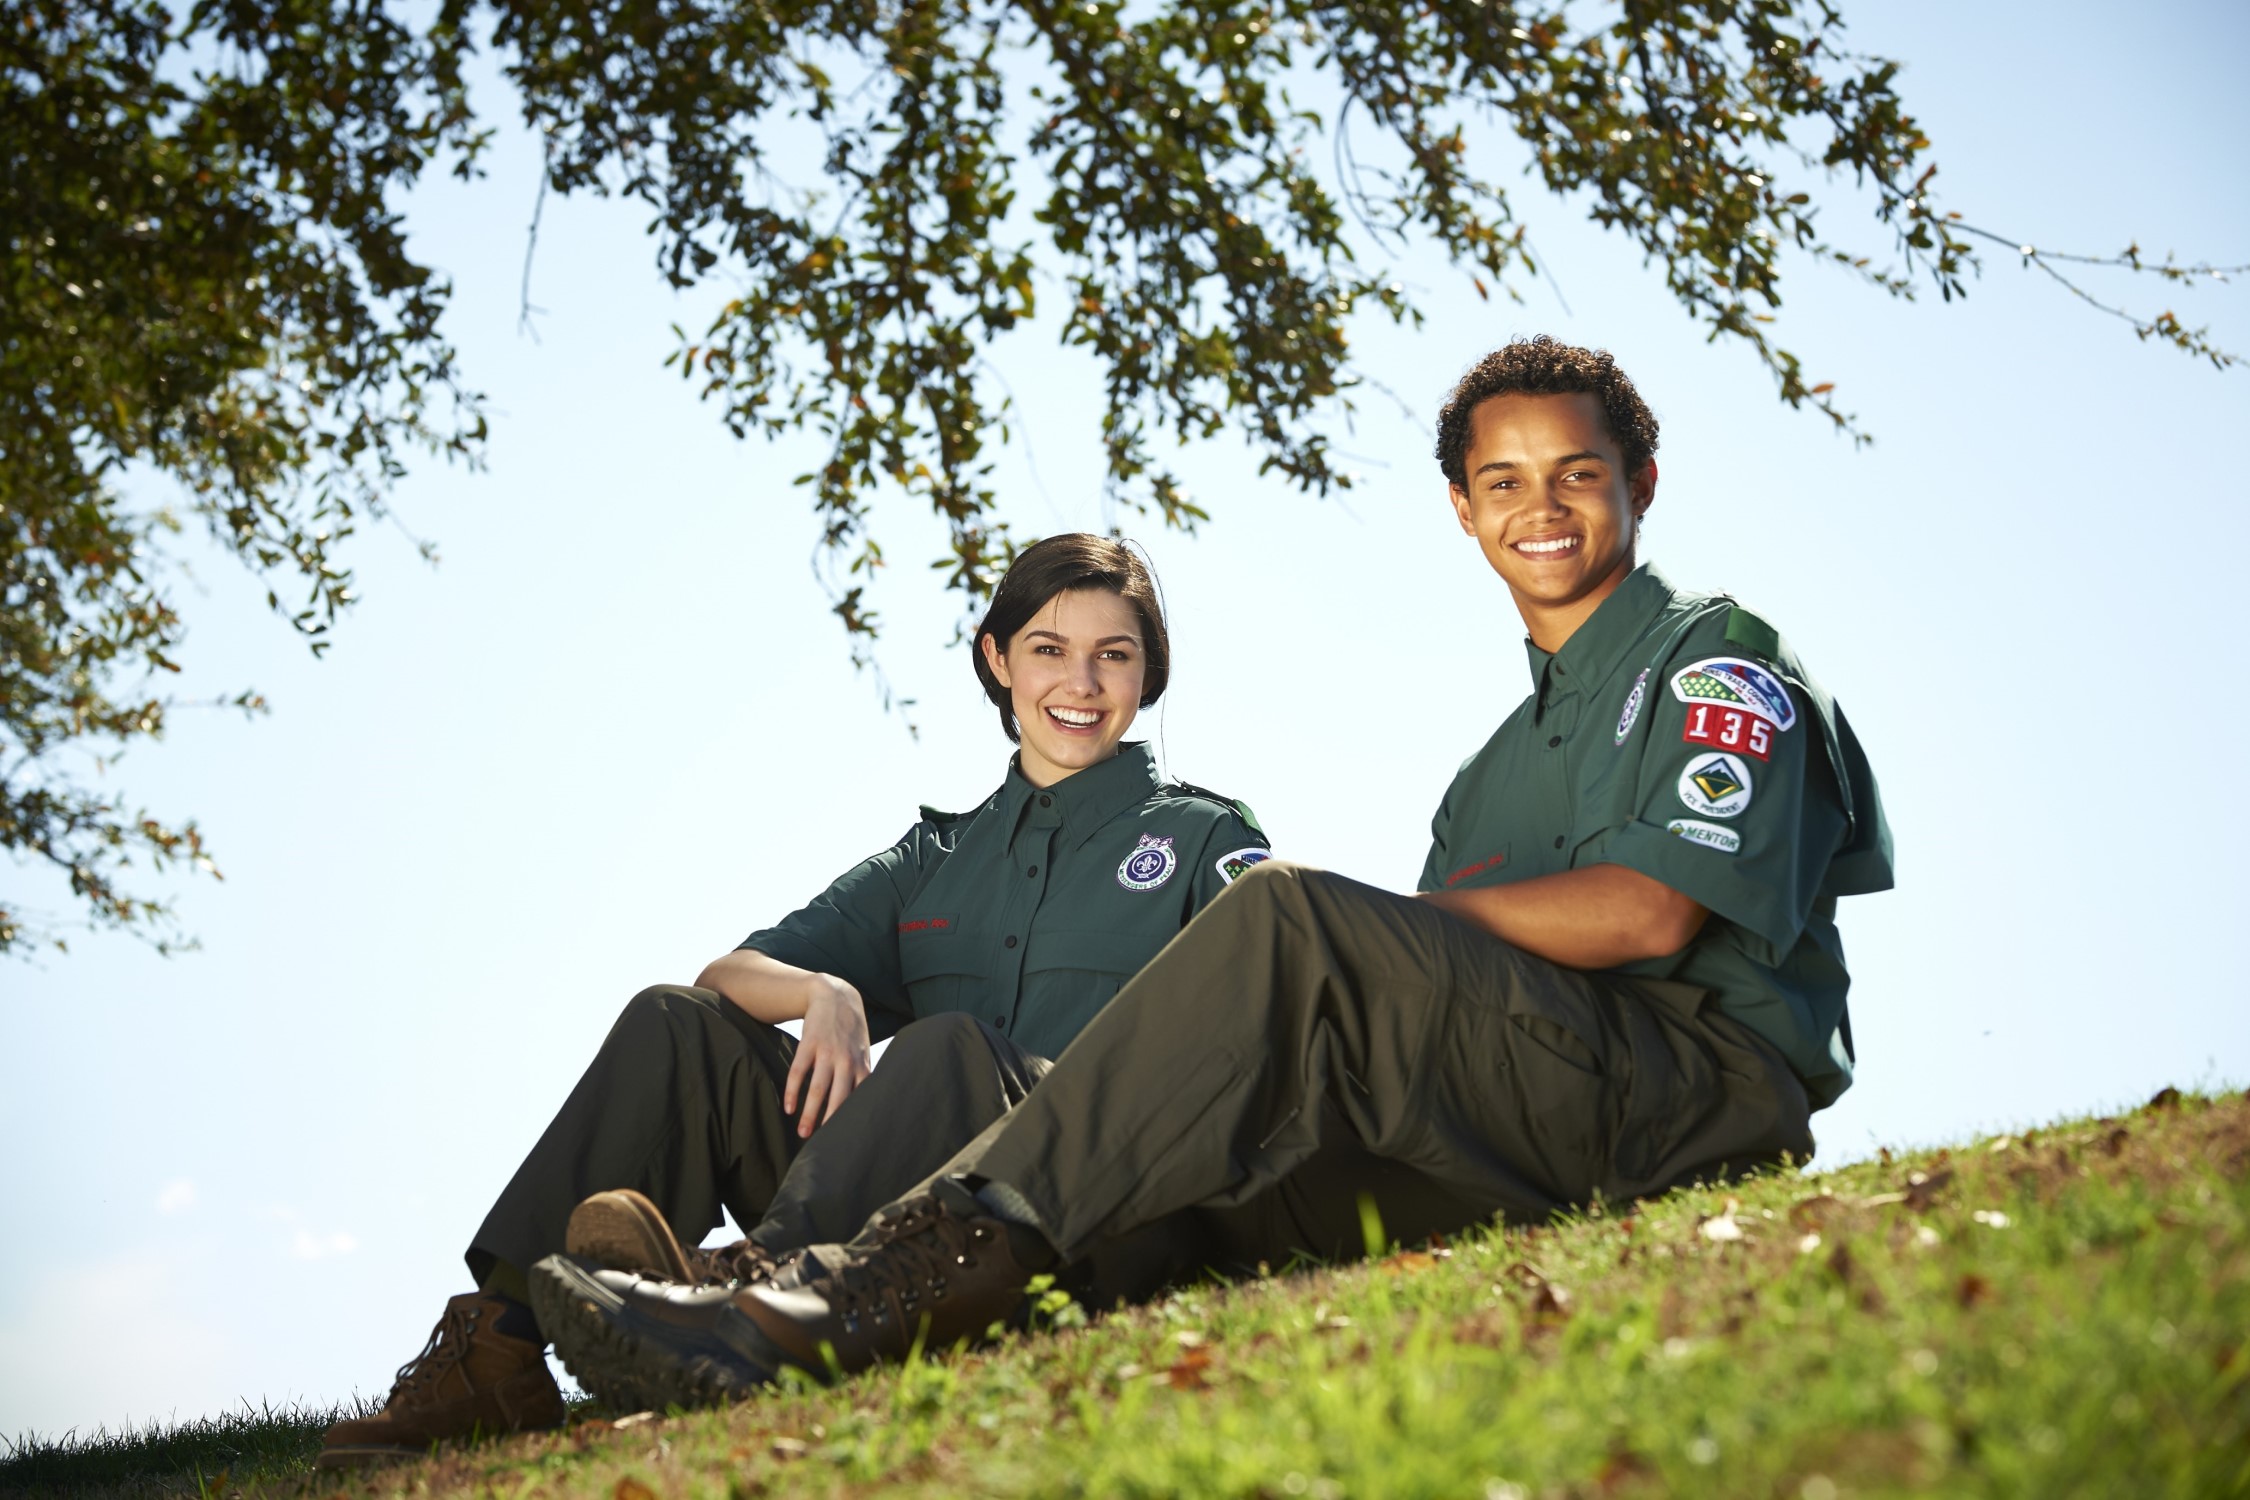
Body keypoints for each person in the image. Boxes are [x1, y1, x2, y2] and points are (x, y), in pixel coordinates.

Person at [530, 334, 1894, 1405]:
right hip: (1511, 1120)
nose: (1539, 508)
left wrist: (1380, 933)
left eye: (1576, 474)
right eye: (1503, 482)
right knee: (1244, 1132)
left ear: (1638, 485)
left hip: (1683, 1093)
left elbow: (1649, 911)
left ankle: (836, 1292)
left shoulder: (1708, 659)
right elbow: (1391, 1031)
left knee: (1278, 919)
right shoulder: (1482, 778)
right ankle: (556, 1328)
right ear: (1463, 512)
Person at [315, 534, 1268, 1465]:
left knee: (945, 1049)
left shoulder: (1199, 837)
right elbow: (726, 974)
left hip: (1066, 1214)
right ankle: (496, 1354)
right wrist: (828, 992)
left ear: (1150, 674)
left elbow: (1265, 1023)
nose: (1082, 684)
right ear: (997, 661)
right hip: (889, 1206)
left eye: (1114, 656)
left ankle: (738, 1301)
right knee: (677, 1024)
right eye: (1049, 650)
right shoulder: (934, 861)